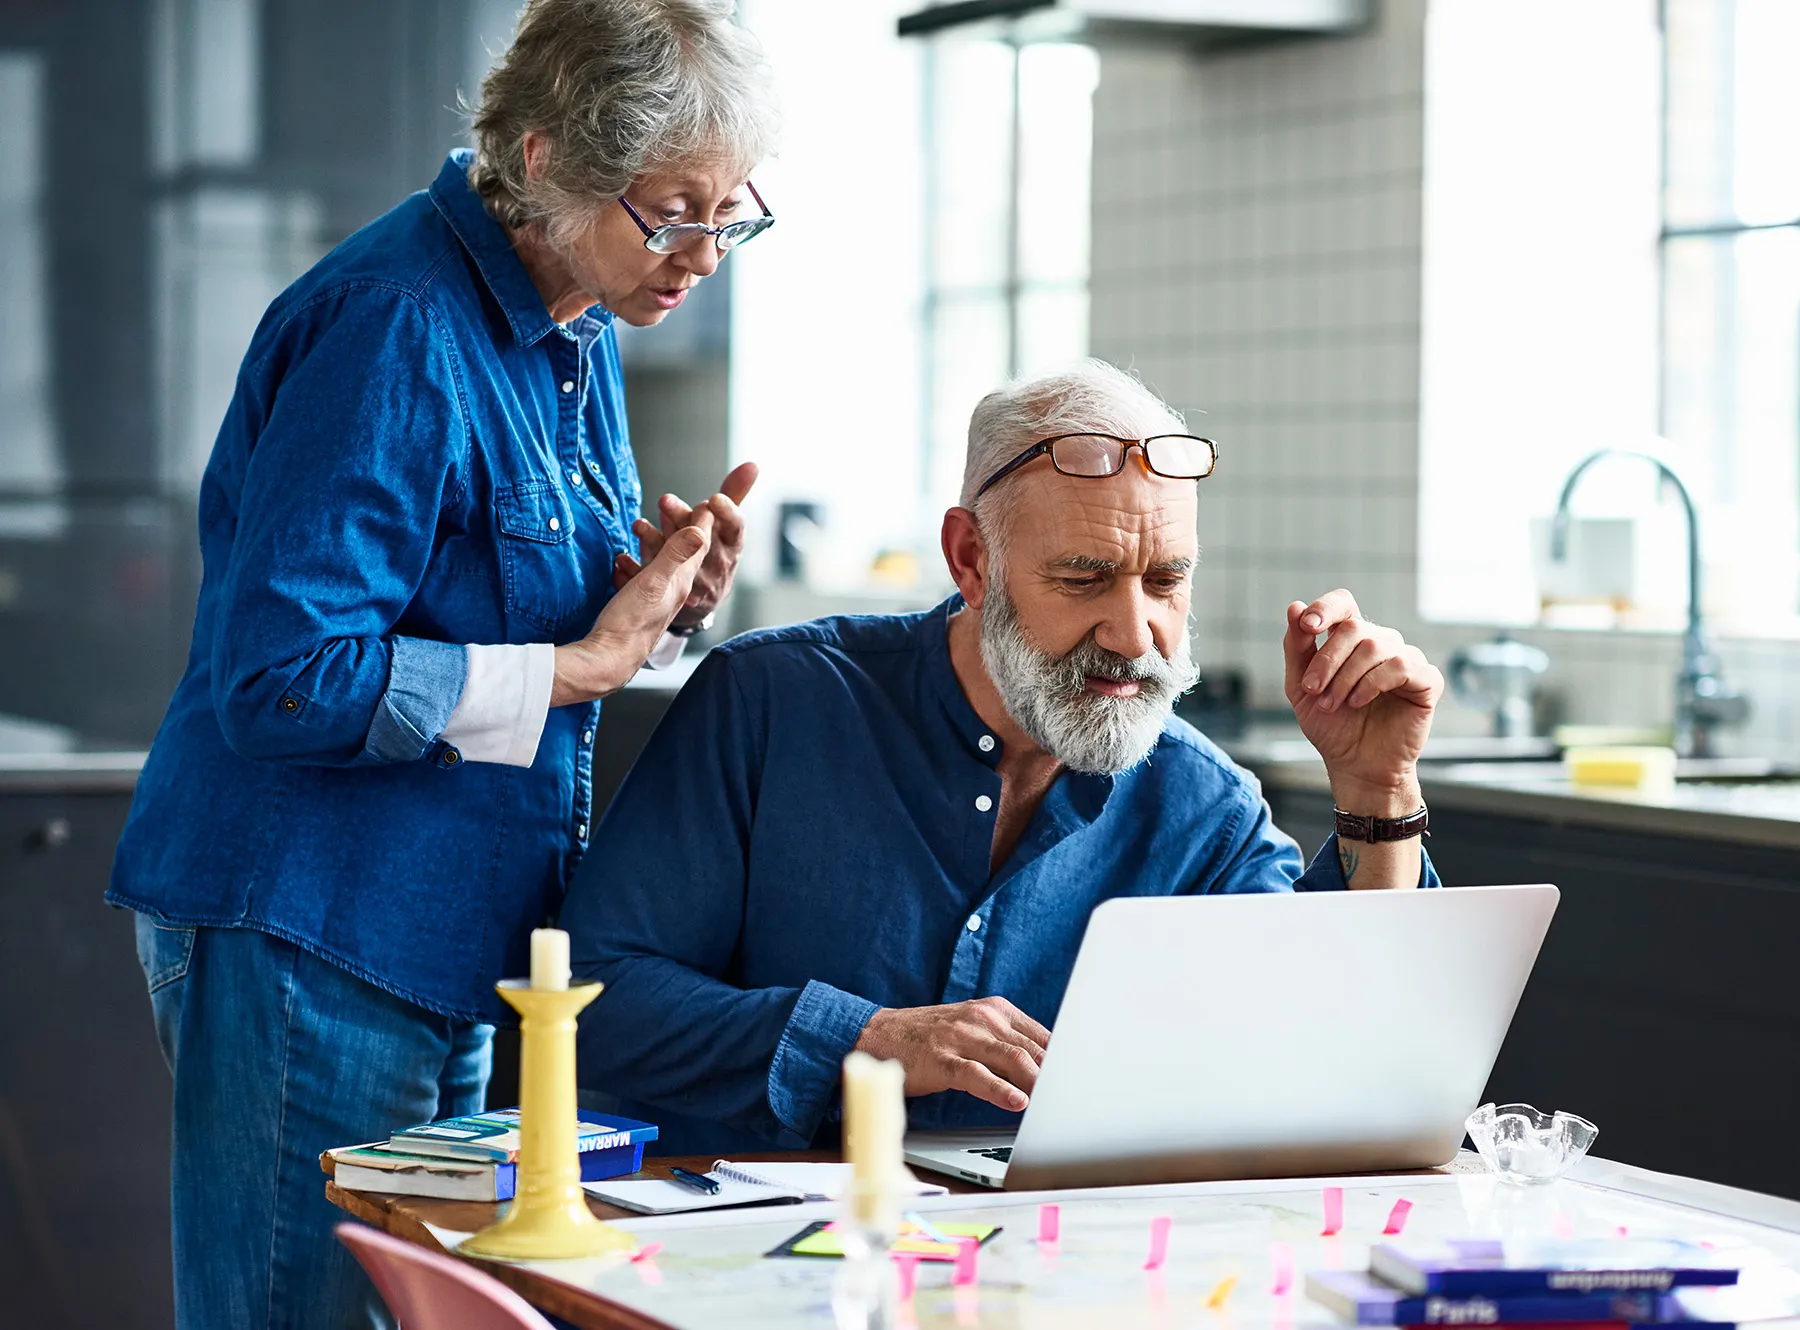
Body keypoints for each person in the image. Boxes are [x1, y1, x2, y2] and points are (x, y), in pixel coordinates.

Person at [106, 3, 778, 1326]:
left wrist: (665, 602)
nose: (705, 254)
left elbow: (512, 609)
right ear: (542, 160)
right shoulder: (396, 324)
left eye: (731, 211)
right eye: (671, 212)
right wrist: (578, 667)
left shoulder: (569, 328)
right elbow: (284, 674)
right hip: (314, 926)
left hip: (445, 934)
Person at [560, 359, 1445, 1156]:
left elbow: (1328, 1055)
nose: (1134, 633)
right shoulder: (773, 702)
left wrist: (1378, 790)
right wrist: (867, 1042)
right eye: (1084, 577)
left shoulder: (1203, 806)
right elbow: (585, 1001)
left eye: (1167, 580)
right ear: (970, 558)